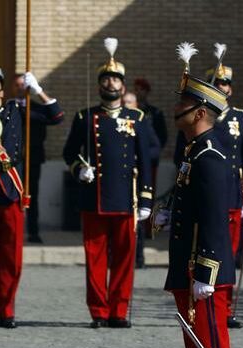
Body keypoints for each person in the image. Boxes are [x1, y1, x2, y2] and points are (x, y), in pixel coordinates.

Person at [0, 42, 62, 329]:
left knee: (11, 258)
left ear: (3, 90)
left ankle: (7, 310)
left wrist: (37, 90)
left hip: (13, 190)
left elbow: (56, 116)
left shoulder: (19, 110)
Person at [155, 43, 236, 348]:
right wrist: (168, 208)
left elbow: (216, 218)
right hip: (187, 268)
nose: (175, 110)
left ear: (200, 112)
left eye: (182, 105)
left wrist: (206, 273)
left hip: (202, 272)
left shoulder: (211, 156)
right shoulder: (194, 151)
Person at [62, 38, 153, 329]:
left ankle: (119, 310)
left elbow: (146, 159)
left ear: (123, 86)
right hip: (94, 197)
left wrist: (147, 199)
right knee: (96, 259)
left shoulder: (136, 118)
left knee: (125, 260)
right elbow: (69, 152)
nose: (110, 83)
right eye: (106, 79)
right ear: (100, 84)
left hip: (127, 198)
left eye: (115, 79)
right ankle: (98, 311)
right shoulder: (84, 116)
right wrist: (80, 170)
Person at [13, 72, 65, 243]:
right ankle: (13, 232)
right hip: (12, 161)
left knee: (31, 196)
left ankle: (33, 232)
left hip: (32, 158)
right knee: (12, 197)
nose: (21, 88)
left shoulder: (36, 107)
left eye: (24, 85)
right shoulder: (8, 107)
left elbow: (57, 117)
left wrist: (39, 91)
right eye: (18, 85)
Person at [123, 90, 161, 269]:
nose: (126, 105)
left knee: (136, 221)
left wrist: (140, 156)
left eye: (129, 102)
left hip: (136, 179)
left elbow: (154, 147)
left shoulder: (141, 121)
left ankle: (138, 257)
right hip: (119, 179)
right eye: (124, 102)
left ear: (136, 105)